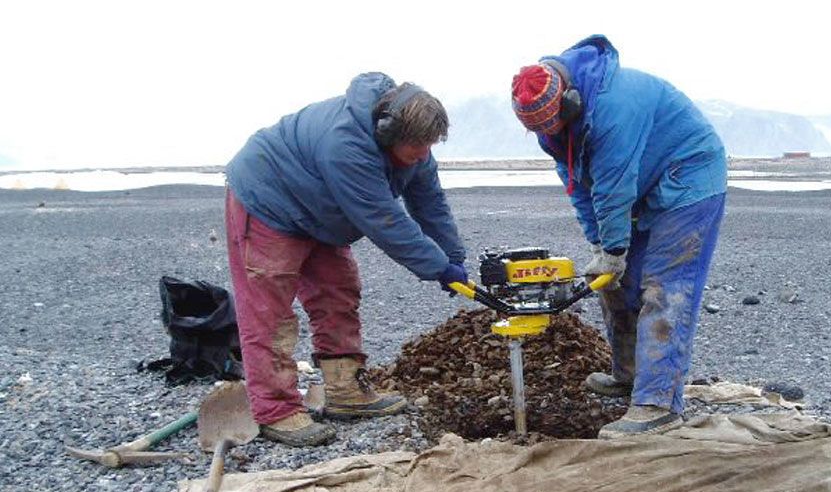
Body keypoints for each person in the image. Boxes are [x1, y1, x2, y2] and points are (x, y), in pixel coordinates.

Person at [224, 73, 468, 447]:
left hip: (321, 213)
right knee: (269, 310)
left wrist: (454, 257)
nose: (424, 154)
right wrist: (437, 268)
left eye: (429, 146)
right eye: (417, 146)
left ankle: (345, 391)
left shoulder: (414, 146)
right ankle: (276, 409)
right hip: (269, 201)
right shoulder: (346, 144)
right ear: (387, 133)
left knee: (339, 292)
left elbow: (430, 202)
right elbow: (384, 219)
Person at [511, 35, 727, 439]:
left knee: (666, 285)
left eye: (555, 126)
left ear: (571, 103)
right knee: (614, 281)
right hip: (647, 188)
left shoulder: (614, 106)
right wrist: (599, 246)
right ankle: (629, 375)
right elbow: (578, 185)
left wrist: (613, 248)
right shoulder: (556, 128)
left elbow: (613, 186)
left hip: (690, 181)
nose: (550, 135)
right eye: (543, 132)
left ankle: (658, 402)